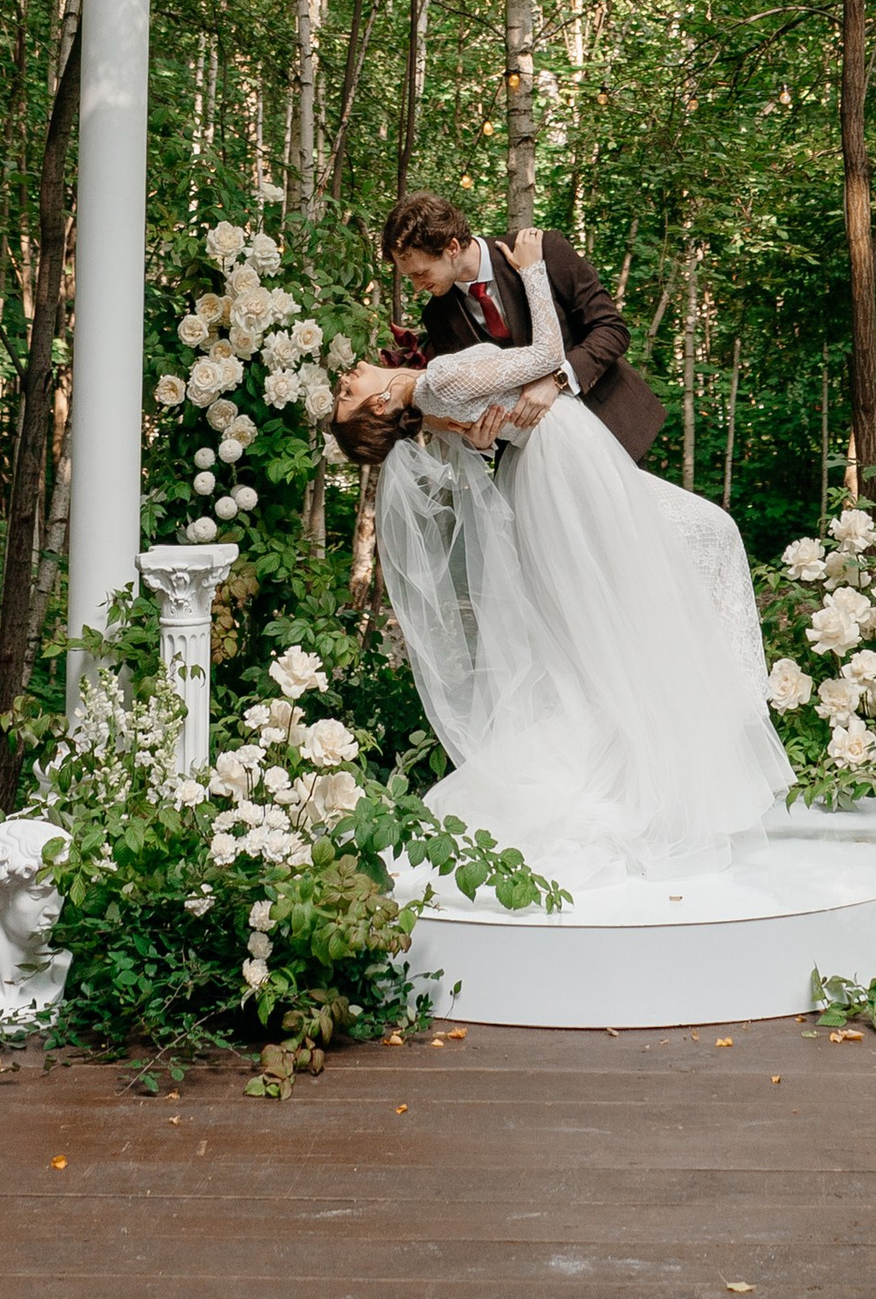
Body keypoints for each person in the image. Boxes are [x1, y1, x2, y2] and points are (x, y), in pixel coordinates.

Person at [333, 231, 787, 888]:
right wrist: (535, 272)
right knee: (648, 584)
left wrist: (485, 425)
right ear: (379, 405)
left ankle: (692, 732)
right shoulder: (437, 379)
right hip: (566, 465)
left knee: (639, 591)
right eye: (349, 396)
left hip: (559, 463)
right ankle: (690, 741)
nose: (346, 381)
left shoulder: (431, 397)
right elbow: (546, 355)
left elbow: (483, 417)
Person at [379, 187, 661, 460]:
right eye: (410, 277)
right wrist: (480, 441)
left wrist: (557, 380)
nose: (416, 287)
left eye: (421, 272)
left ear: (452, 247)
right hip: (536, 457)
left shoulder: (544, 250)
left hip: (610, 423)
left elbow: (612, 329)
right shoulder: (437, 316)